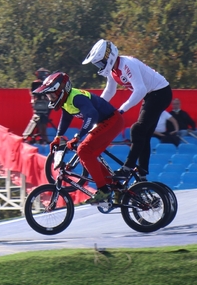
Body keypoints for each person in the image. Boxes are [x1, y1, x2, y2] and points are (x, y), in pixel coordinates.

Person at [82, 39, 172, 180]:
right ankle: (142, 176)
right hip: (152, 95)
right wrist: (96, 108)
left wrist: (121, 110)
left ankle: (127, 168)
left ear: (109, 57)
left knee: (137, 129)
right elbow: (109, 91)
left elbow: (140, 90)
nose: (99, 67)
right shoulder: (113, 71)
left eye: (100, 63)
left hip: (160, 93)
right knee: (144, 135)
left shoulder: (126, 64)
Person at [34, 72, 124, 203]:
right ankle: (116, 188)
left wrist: (78, 136)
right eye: (49, 96)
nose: (50, 99)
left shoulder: (76, 98)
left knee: (84, 150)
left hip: (112, 121)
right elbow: (66, 118)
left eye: (52, 95)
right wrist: (58, 137)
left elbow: (91, 116)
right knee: (86, 156)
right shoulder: (66, 100)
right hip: (104, 122)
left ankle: (104, 191)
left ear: (62, 91)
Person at [22, 67, 52, 144]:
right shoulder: (40, 83)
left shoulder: (38, 83)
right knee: (40, 121)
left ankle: (32, 137)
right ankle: (42, 138)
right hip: (42, 105)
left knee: (39, 121)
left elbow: (33, 93)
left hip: (40, 105)